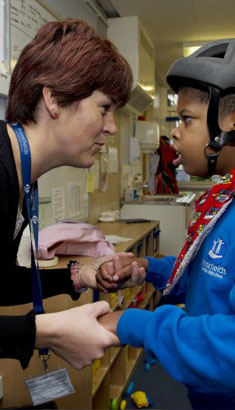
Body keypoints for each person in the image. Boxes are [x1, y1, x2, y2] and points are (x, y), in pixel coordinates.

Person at [97, 38, 235, 409]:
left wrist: (136, 324)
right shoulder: (234, 194)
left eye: (186, 120)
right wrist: (151, 269)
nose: (175, 131)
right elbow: (214, 280)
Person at [0, 18, 133, 371]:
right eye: (104, 107)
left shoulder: (22, 173)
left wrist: (78, 276)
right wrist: (47, 331)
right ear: (55, 99)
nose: (112, 127)